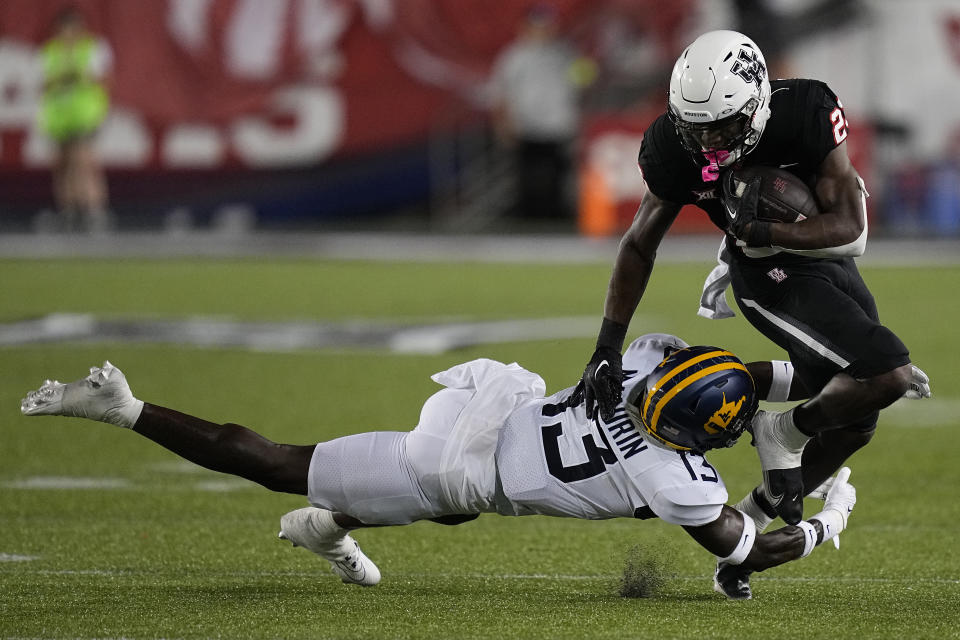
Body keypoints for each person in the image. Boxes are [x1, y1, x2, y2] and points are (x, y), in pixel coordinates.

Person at [21, 333, 857, 600]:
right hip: (461, 462)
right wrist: (824, 524)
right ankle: (124, 409)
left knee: (450, 508)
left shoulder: (647, 359)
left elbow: (741, 376)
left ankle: (329, 527)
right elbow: (749, 547)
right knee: (285, 465)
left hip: (493, 408)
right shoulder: (673, 476)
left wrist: (825, 380)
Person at [579, 30, 930, 589]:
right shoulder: (672, 147)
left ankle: (745, 538)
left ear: (759, 103)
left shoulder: (807, 111)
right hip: (765, 274)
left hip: (820, 251)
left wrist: (764, 225)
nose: (710, 142)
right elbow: (639, 242)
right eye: (697, 130)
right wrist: (606, 345)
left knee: (857, 415)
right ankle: (783, 432)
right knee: (886, 371)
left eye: (723, 126)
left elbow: (851, 229)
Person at [491, 4, 588, 220]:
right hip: (527, 127)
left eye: (548, 26)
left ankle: (557, 219)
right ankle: (529, 219)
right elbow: (501, 93)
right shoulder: (514, 57)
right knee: (528, 178)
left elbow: (584, 84)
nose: (544, 31)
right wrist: (504, 125)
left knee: (559, 177)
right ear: (526, 27)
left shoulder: (567, 53)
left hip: (560, 127)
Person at [38, 6, 113, 232]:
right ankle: (69, 211)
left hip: (85, 115)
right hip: (59, 117)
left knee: (83, 161)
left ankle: (93, 210)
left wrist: (75, 75)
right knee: (62, 164)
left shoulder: (93, 49)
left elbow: (103, 80)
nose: (68, 33)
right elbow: (43, 84)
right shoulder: (50, 52)